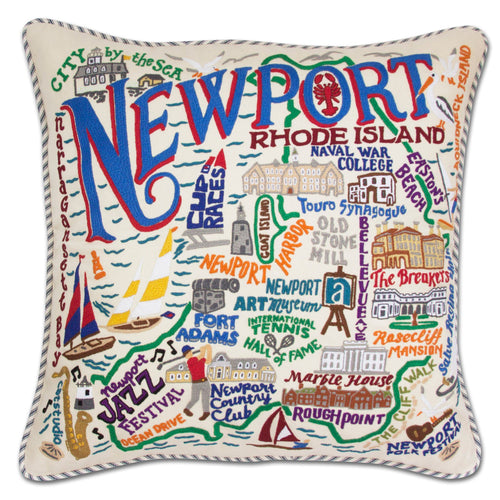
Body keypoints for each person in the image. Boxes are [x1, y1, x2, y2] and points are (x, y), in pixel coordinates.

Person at [182, 344, 212, 421]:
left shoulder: (199, 359)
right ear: (186, 355)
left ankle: (206, 412)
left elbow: (208, 361)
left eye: (190, 351)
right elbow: (201, 355)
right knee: (195, 398)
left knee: (205, 398)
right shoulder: (190, 361)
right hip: (196, 383)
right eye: (189, 352)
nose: (191, 352)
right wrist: (203, 350)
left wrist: (209, 350)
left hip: (204, 382)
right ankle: (187, 409)